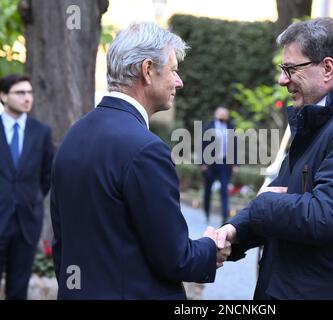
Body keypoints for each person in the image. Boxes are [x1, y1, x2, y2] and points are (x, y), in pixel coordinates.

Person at [217, 17, 333, 300]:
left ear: (328, 68)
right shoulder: (322, 120)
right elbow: (284, 195)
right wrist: (233, 233)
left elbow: (328, 215)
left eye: (290, 69)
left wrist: (262, 207)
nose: (283, 79)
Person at [51, 22, 230, 300]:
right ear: (147, 71)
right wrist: (212, 246)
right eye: (173, 70)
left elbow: (63, 246)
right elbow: (176, 258)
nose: (179, 82)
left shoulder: (74, 135)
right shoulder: (146, 150)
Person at [0, 74, 54, 299]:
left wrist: (32, 198)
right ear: (3, 96)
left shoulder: (41, 132)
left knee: (18, 290)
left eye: (30, 93)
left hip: (26, 224)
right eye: (20, 93)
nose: (27, 98)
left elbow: (47, 175)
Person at [201, 106, 237, 224]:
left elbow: (235, 146)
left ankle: (224, 216)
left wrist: (236, 164)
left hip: (225, 163)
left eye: (224, 113)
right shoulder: (208, 126)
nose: (222, 115)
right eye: (220, 112)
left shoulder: (230, 127)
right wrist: (203, 163)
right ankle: (206, 212)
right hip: (210, 162)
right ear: (215, 114)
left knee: (224, 189)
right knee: (208, 189)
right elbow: (202, 145)